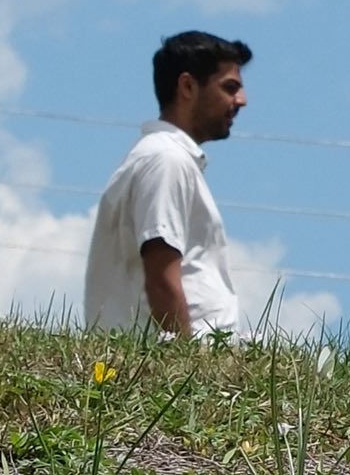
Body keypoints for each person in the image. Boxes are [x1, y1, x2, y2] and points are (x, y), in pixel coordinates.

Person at [84, 31, 252, 339]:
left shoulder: (165, 157)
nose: (242, 100)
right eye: (230, 87)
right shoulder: (166, 159)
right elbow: (161, 277)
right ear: (187, 86)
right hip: (173, 370)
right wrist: (187, 365)